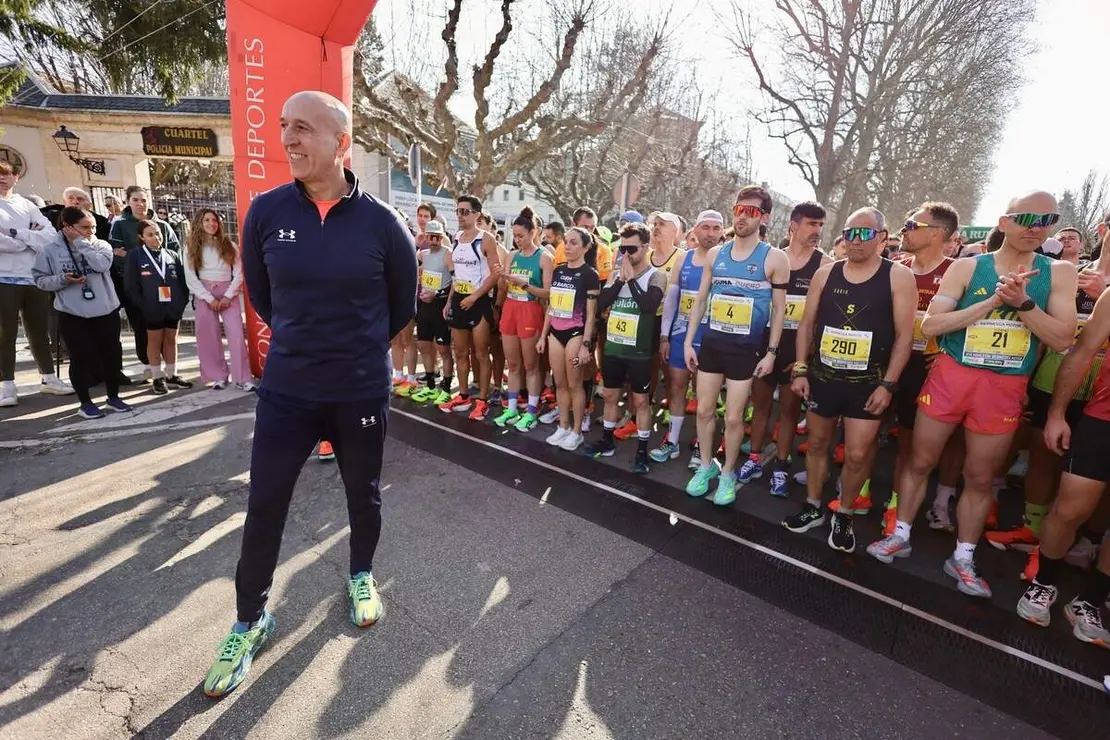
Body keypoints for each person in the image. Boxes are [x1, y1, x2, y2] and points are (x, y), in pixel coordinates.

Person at [203, 90, 417, 698]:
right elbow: (264, 297)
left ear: (340, 142)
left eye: (302, 128)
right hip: (288, 390)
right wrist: (305, 343)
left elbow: (400, 305)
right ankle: (249, 621)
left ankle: (360, 574)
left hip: (359, 391)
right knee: (265, 504)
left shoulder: (383, 222)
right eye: (283, 126)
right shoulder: (266, 212)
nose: (289, 139)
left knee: (362, 495)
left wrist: (354, 347)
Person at [868, 193, 1078, 599]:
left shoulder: (1059, 273)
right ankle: (900, 534)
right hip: (953, 376)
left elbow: (1062, 338)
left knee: (980, 478)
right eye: (1027, 218)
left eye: (1047, 219)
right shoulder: (968, 266)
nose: (1037, 227)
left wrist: (1023, 303)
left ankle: (963, 557)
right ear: (1005, 221)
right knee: (920, 461)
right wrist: (992, 302)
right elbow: (932, 325)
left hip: (1004, 385)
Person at [784, 208, 916, 552]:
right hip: (824, 377)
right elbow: (807, 324)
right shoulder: (826, 274)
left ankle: (844, 512)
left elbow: (905, 337)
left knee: (857, 455)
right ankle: (813, 505)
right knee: (816, 444)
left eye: (864, 233)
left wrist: (888, 385)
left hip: (868, 384)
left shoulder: (898, 276)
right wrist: (800, 368)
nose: (855, 240)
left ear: (882, 237)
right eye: (849, 233)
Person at [991, 220, 1110, 572]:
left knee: (1093, 476)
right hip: (1056, 376)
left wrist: (1103, 293)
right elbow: (1043, 326)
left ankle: (1088, 539)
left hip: (1101, 391)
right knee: (1043, 455)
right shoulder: (1071, 272)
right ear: (1103, 229)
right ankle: (1034, 529)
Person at [855, 203, 960, 535]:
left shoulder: (957, 272)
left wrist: (947, 354)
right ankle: (860, 491)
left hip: (924, 369)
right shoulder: (894, 268)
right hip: (882, 362)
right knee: (866, 432)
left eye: (912, 225)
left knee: (909, 445)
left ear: (937, 234)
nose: (904, 230)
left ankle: (896, 506)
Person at [683, 185, 790, 504]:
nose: (743, 216)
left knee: (733, 418)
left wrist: (771, 353)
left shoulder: (774, 258)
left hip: (746, 350)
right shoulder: (716, 254)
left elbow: (780, 310)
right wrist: (689, 342)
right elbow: (701, 299)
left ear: (764, 217)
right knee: (704, 410)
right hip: (712, 344)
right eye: (739, 209)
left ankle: (728, 473)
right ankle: (706, 466)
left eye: (751, 211)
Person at [1019, 280, 1110, 645]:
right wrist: (1057, 414)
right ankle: (1044, 582)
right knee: (1070, 509)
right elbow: (1081, 352)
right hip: (1103, 420)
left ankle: (1089, 601)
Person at [743, 201, 830, 496]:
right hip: (766, 345)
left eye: (820, 225)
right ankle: (754, 458)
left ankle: (780, 465)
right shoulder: (772, 258)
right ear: (793, 225)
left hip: (797, 351)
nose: (817, 230)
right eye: (811, 224)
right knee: (760, 407)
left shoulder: (824, 264)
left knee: (789, 413)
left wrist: (808, 357)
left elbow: (821, 317)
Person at [31, 207, 131, 418]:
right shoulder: (49, 250)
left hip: (105, 310)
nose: (91, 232)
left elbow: (101, 265)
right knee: (80, 358)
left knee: (111, 356)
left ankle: (113, 397)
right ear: (67, 227)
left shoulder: (101, 245)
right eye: (85, 227)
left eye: (93, 227)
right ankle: (85, 403)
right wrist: (62, 279)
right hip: (73, 313)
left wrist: (80, 242)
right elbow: (40, 280)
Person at [585, 223, 668, 473]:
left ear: (645, 247)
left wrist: (630, 281)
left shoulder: (656, 276)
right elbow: (602, 304)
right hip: (614, 348)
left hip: (640, 351)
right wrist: (620, 280)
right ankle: (607, 440)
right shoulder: (616, 274)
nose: (626, 254)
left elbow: (648, 306)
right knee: (610, 396)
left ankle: (642, 451)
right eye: (623, 249)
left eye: (631, 249)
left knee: (641, 401)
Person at [653, 210, 723, 468]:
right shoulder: (684, 258)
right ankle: (672, 440)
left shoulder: (725, 260)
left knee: (706, 396)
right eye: (706, 227)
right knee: (677, 387)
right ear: (695, 230)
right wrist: (665, 336)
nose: (711, 233)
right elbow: (672, 300)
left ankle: (700, 446)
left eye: (716, 228)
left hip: (710, 335)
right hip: (682, 332)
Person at [0, 161, 72, 406]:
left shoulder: (27, 205)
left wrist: (16, 233)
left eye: (6, 174)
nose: (2, 179)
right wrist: (30, 237)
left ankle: (49, 378)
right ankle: (7, 385)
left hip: (33, 278)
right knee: (5, 334)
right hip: (3, 278)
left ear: (16, 178)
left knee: (39, 332)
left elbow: (49, 237)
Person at [437, 195, 500, 419]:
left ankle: (482, 400)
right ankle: (463, 395)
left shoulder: (486, 239)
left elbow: (496, 274)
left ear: (476, 214)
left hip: (479, 301)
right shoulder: (456, 238)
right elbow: (458, 276)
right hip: (459, 300)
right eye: (458, 211)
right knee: (460, 352)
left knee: (481, 353)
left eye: (465, 212)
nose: (460, 216)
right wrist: (449, 301)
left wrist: (474, 297)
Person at [109, 185, 180, 381]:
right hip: (138, 287)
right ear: (128, 202)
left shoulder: (163, 225)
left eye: (143, 200)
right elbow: (117, 254)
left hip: (164, 287)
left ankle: (170, 370)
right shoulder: (120, 225)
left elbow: (174, 252)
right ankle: (149, 366)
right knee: (142, 328)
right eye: (135, 200)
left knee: (168, 329)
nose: (140, 204)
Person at [537, 226, 599, 450]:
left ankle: (576, 431)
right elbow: (552, 306)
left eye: (574, 243)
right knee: (560, 383)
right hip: (555, 332)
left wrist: (586, 345)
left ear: (586, 247)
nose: (568, 246)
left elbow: (591, 315)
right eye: (567, 242)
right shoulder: (559, 270)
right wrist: (543, 336)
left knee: (575, 385)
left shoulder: (590, 274)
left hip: (575, 333)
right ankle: (563, 426)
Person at [493, 206, 553, 431]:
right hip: (510, 309)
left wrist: (525, 285)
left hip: (530, 311)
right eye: (515, 236)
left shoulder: (544, 258)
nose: (517, 240)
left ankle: (531, 411)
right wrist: (501, 277)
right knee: (513, 364)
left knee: (531, 365)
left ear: (533, 232)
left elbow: (549, 293)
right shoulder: (512, 255)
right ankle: (511, 409)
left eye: (521, 236)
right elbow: (503, 287)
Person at [183, 209, 254, 391]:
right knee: (208, 336)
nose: (211, 223)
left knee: (236, 334)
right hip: (204, 293)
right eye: (206, 220)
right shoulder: (191, 247)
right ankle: (218, 376)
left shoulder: (229, 245)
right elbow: (190, 276)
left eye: (214, 220)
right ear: (199, 223)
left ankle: (243, 377)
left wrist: (228, 295)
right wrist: (208, 298)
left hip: (228, 293)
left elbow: (239, 273)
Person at [124, 220, 192, 395]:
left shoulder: (171, 254)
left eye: (158, 233)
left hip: (172, 306)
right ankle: (157, 377)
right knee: (154, 341)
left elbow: (182, 281)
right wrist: (144, 306)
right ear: (141, 237)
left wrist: (181, 302)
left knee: (171, 340)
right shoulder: (135, 255)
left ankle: (171, 374)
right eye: (150, 234)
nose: (156, 237)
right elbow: (131, 285)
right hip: (151, 307)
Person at [410, 220, 454, 405]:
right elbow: (409, 263)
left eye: (438, 237)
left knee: (444, 349)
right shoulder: (423, 254)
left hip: (440, 305)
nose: (435, 241)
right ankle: (430, 387)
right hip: (425, 306)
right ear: (426, 237)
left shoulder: (447, 253)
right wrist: (417, 242)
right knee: (423, 345)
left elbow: (456, 281)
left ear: (442, 237)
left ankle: (446, 389)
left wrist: (440, 294)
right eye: (431, 237)